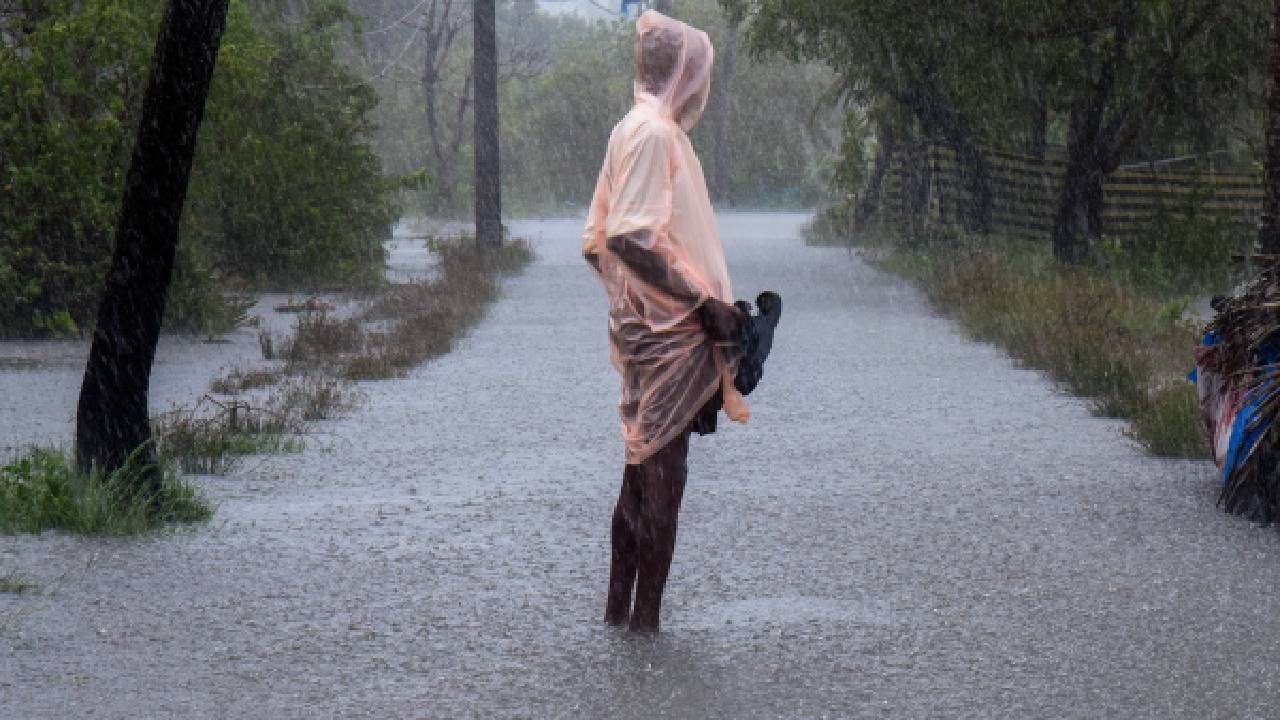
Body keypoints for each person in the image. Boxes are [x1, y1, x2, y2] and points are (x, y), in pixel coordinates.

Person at [582, 10, 748, 632]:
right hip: (670, 334)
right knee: (662, 482)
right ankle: (645, 628)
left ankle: (616, 620)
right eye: (698, 71)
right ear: (684, 72)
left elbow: (595, 239)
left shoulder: (631, 129)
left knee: (638, 470)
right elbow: (629, 235)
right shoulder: (652, 135)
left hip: (645, 330)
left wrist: (635, 308)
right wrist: (696, 301)